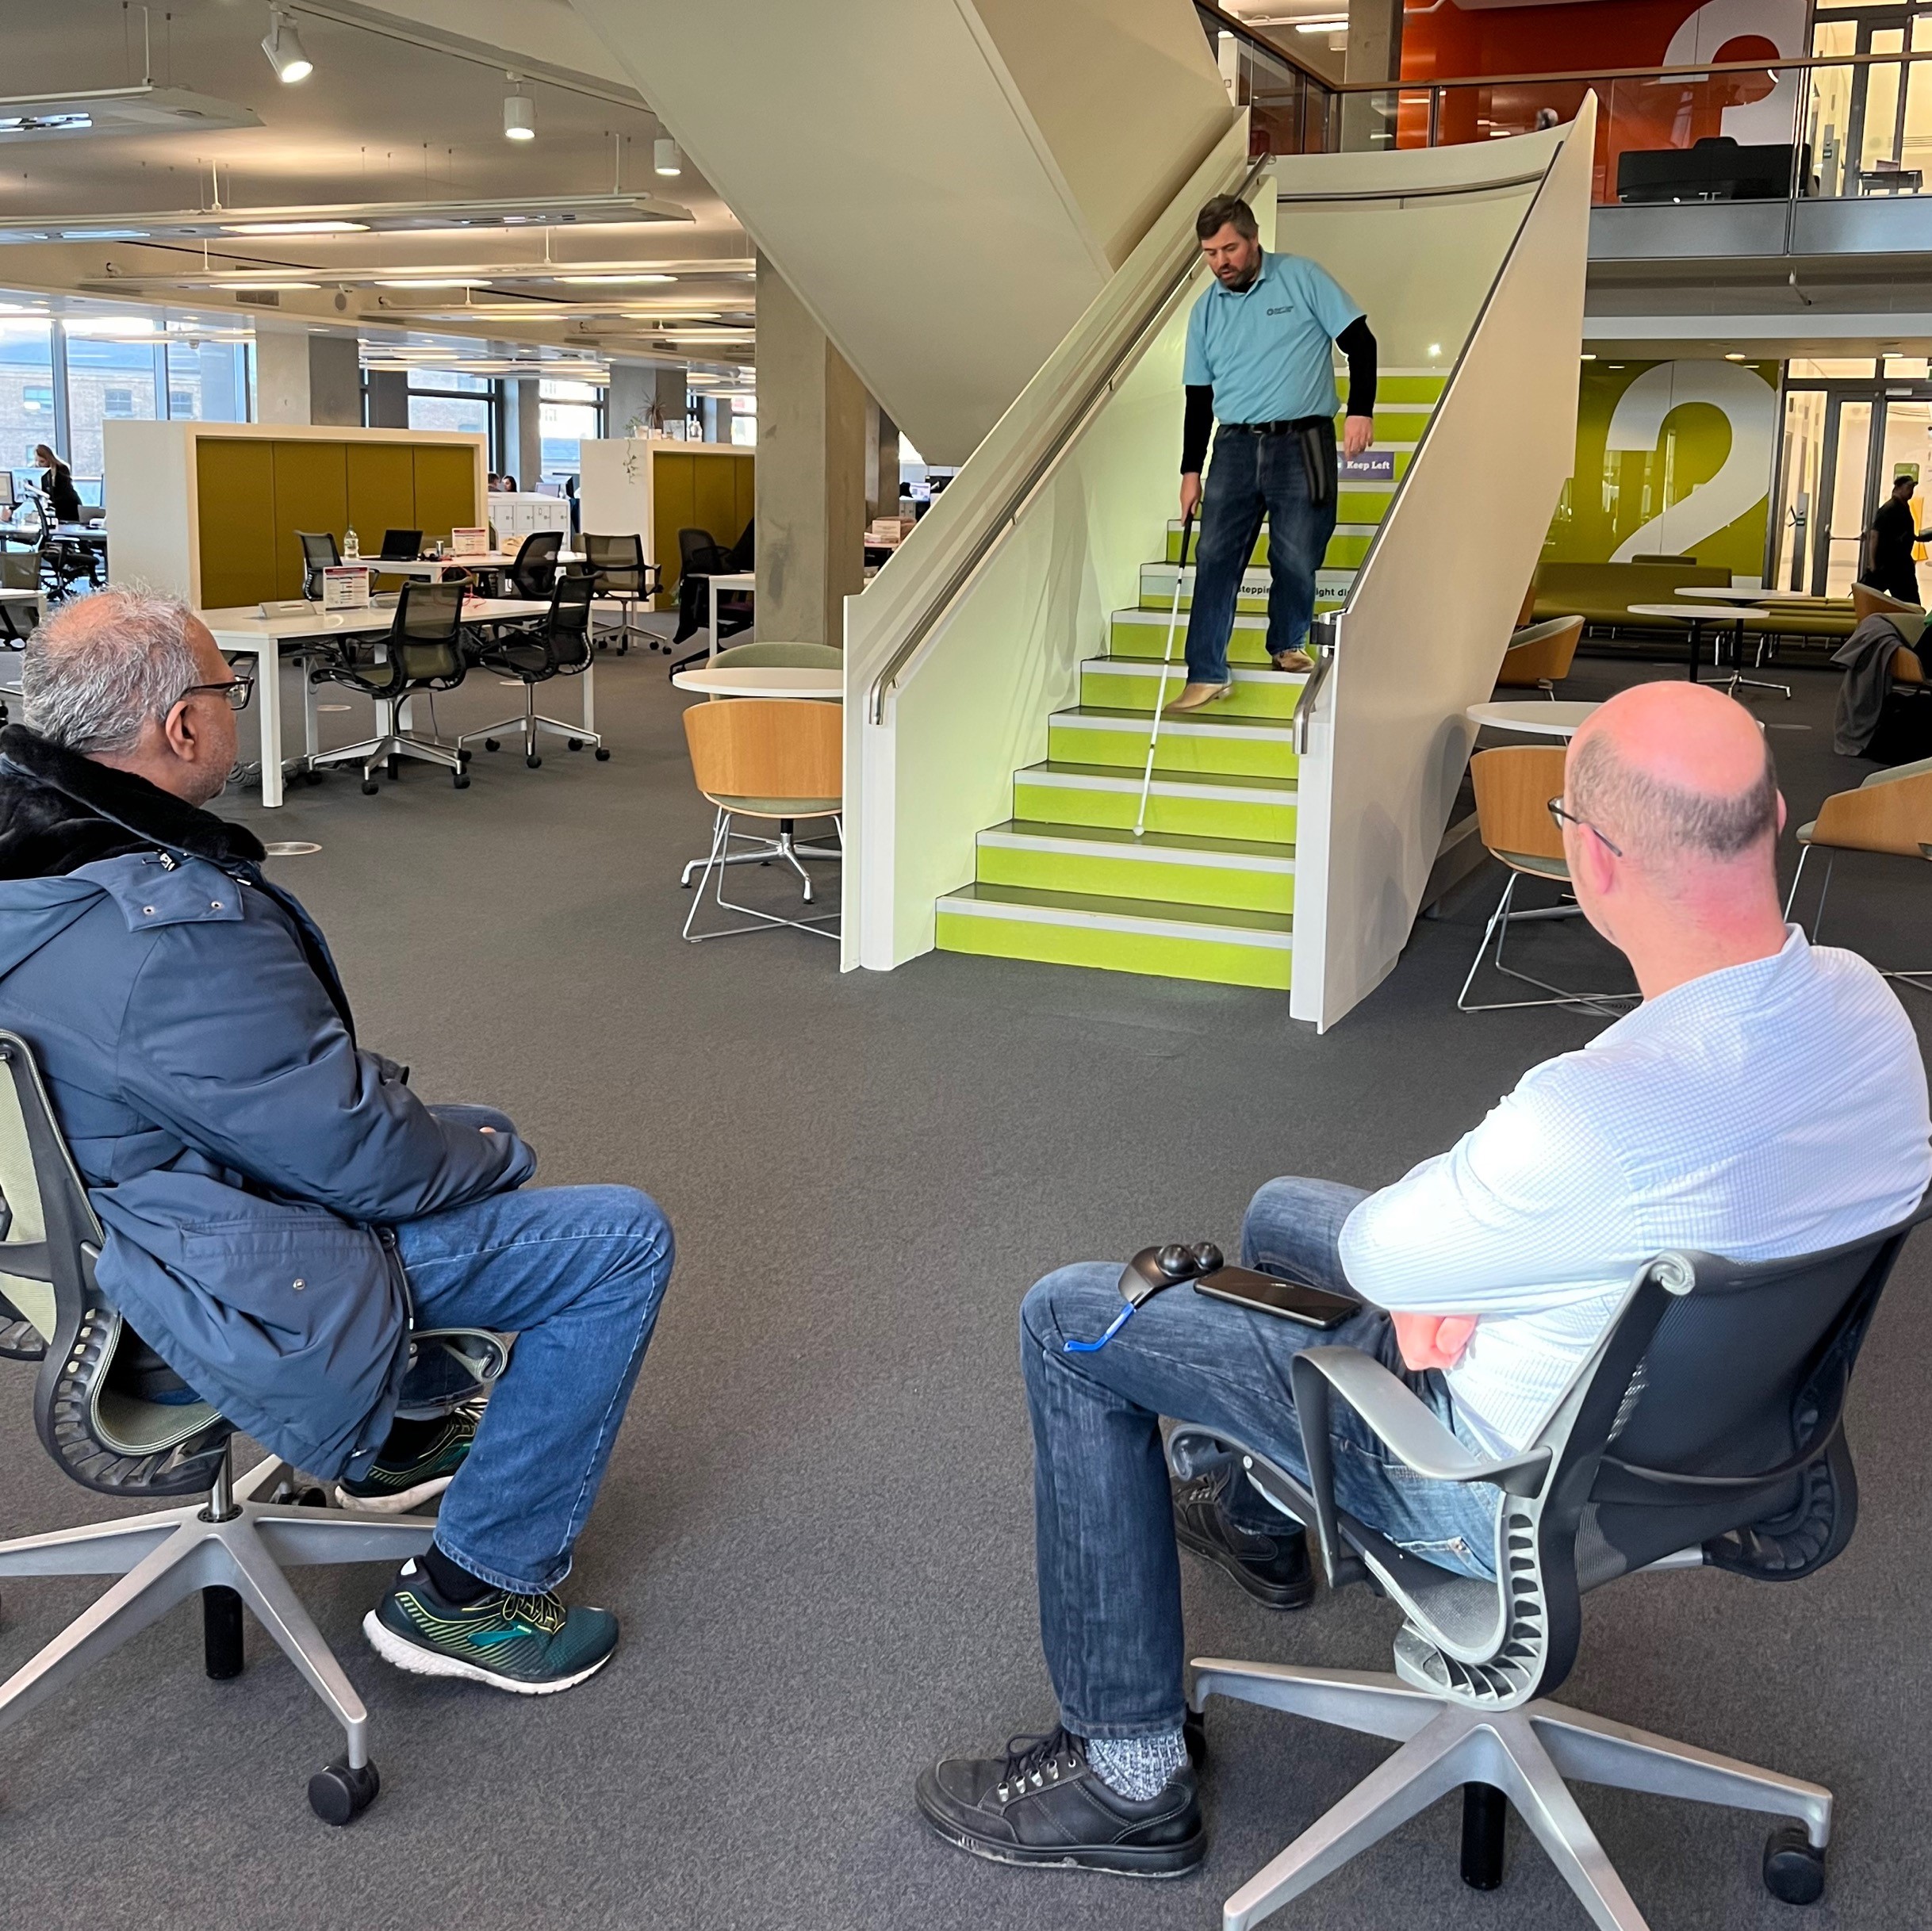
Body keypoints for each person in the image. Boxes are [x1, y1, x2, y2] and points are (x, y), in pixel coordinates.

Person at [916, 680, 1931, 1876]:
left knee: (1072, 1318)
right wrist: (1450, 1281)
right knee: (1281, 1212)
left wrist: (1431, 1286)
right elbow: (1401, 1243)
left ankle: (1123, 1769)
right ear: (1769, 819)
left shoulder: (1593, 1113)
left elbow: (1389, 1248)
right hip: (1726, 1439)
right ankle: (1262, 1519)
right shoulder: (1869, 1012)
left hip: (1490, 1481)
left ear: (1591, 860)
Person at [0, 589, 675, 1695]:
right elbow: (362, 1156)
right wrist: (497, 1145)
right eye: (230, 690)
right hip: (199, 1286)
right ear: (179, 727)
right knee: (616, 1238)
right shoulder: (165, 934)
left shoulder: (28, 870)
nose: (235, 710)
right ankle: (481, 1593)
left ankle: (400, 1424)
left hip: (81, 1244)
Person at [1166, 193, 1378, 714]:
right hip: (1234, 446)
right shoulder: (1205, 311)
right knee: (1214, 555)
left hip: (1303, 441)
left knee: (1297, 552)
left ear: (1253, 239)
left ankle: (1287, 643)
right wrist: (1191, 470)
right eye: (1211, 253)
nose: (1222, 262)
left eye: (1230, 248)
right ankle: (1206, 670)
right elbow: (1199, 398)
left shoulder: (1301, 278)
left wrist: (1360, 410)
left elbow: (1362, 342)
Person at [1863, 472, 1927, 605]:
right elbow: (1875, 535)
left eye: (1913, 489)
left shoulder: (1904, 506)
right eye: (1908, 488)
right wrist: (1873, 563)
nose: (1911, 492)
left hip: (1901, 563)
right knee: (1910, 603)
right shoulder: (1889, 508)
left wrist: (1915, 538)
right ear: (1898, 488)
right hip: (1889, 564)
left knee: (1909, 602)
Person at [33, 444, 82, 525]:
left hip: (68, 507)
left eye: (42, 461)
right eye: (36, 461)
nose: (39, 464)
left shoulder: (61, 469)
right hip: (53, 509)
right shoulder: (36, 471)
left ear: (49, 459)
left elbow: (65, 492)